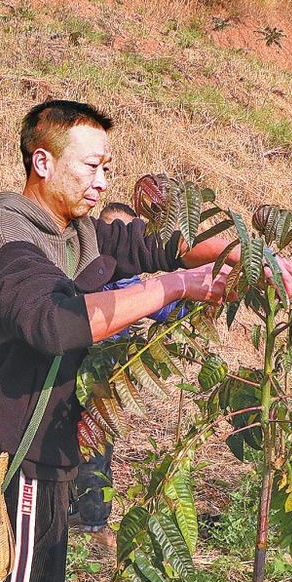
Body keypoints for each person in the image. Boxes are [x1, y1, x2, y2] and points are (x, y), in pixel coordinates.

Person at [0, 99, 292, 582]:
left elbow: (156, 244)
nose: (102, 182)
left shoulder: (76, 231)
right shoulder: (10, 237)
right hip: (19, 453)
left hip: (50, 446)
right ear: (42, 162)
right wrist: (175, 286)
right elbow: (55, 323)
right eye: (90, 166)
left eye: (107, 168)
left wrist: (248, 254)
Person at [68, 201, 188, 533]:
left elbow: (168, 309)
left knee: (95, 444)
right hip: (81, 369)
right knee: (83, 442)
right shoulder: (86, 274)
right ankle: (82, 510)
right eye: (113, 232)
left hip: (105, 375)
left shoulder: (128, 284)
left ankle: (92, 516)